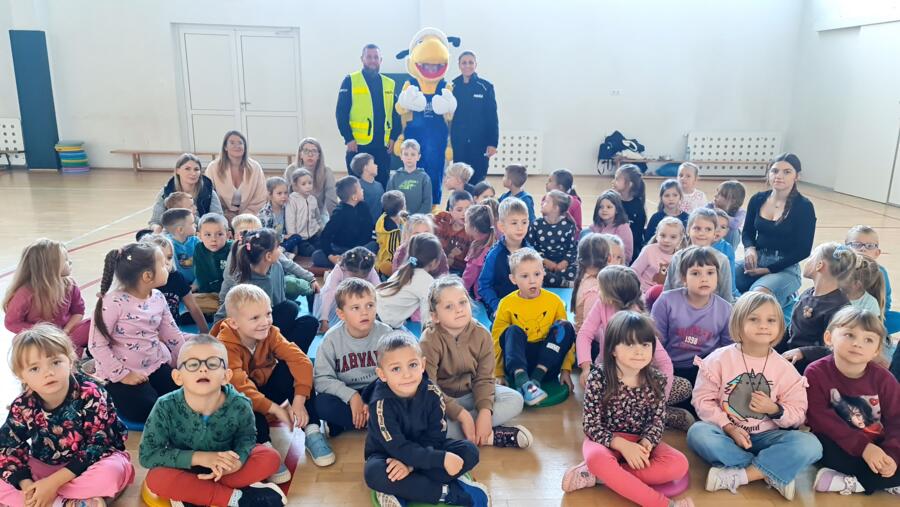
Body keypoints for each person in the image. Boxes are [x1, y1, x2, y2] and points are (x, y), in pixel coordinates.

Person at [687, 292, 822, 501]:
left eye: (771, 320)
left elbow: (798, 413)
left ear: (780, 326)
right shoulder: (719, 359)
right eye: (754, 319)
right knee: (698, 433)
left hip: (769, 437)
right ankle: (772, 470)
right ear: (739, 323)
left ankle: (743, 474)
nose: (763, 326)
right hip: (727, 434)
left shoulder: (785, 369)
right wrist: (729, 427)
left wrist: (775, 409)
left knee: (811, 445)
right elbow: (702, 399)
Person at [561, 312, 693, 507]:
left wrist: (647, 442)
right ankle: (666, 505)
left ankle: (599, 476)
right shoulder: (598, 377)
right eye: (630, 344)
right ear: (613, 349)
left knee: (678, 464)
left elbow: (657, 422)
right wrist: (621, 445)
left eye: (645, 345)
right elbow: (591, 425)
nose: (639, 352)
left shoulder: (657, 380)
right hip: (604, 442)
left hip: (638, 441)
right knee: (597, 459)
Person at [139, 334, 286, 507]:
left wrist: (238, 463)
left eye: (213, 364)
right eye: (193, 364)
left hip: (225, 469)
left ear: (226, 376)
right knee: (156, 478)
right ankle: (238, 498)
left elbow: (246, 440)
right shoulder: (165, 406)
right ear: (178, 377)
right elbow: (147, 455)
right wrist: (200, 458)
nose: (203, 369)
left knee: (270, 457)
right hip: (183, 468)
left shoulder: (240, 404)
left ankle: (198, 493)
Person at [0, 324, 133, 507]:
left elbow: (100, 444)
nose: (48, 373)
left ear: (70, 362)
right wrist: (28, 486)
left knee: (112, 473)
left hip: (90, 465)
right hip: (46, 467)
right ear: (21, 376)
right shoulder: (23, 405)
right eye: (34, 369)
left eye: (55, 362)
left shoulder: (91, 393)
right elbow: (7, 446)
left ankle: (49, 500)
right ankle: (63, 502)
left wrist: (51, 484)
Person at [215, 284, 334, 477]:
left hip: (264, 390)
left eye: (268, 314)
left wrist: (299, 400)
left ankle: (312, 430)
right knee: (241, 404)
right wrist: (275, 409)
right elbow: (239, 388)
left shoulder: (270, 332)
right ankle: (265, 449)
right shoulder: (224, 345)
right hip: (241, 398)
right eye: (255, 318)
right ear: (234, 323)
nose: (265, 322)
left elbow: (301, 360)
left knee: (292, 369)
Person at [364, 331, 490, 507]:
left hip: (426, 448)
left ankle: (403, 489)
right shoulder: (380, 404)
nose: (407, 375)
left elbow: (436, 437)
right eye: (396, 369)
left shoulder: (433, 393)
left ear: (422, 365)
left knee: (469, 451)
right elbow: (396, 446)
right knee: (374, 473)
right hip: (389, 455)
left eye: (412, 365)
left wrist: (411, 467)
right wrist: (439, 460)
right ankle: (448, 492)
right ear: (382, 374)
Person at [420, 276, 532, 448]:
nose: (459, 310)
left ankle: (474, 431)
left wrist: (485, 412)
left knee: (515, 399)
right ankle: (491, 436)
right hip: (441, 401)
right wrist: (461, 415)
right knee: (422, 424)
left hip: (471, 395)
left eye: (462, 302)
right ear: (435, 316)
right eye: (449, 306)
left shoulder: (482, 334)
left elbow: (484, 379)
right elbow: (430, 387)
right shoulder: (429, 340)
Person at [804, 308, 900, 496]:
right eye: (849, 335)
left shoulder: (884, 379)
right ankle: (882, 481)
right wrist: (863, 447)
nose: (857, 344)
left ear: (876, 350)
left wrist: (891, 455)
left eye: (868, 340)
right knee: (818, 446)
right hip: (840, 444)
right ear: (829, 338)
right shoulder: (815, 372)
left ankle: (853, 482)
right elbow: (820, 420)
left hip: (879, 446)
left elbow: (897, 420)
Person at [89, 243, 185, 423]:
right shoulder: (112, 302)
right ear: (147, 276)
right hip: (121, 374)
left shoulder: (158, 297)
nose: (168, 267)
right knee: (147, 409)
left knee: (184, 395)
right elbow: (96, 345)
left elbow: (172, 334)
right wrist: (123, 375)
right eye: (163, 264)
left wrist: (188, 361)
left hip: (154, 365)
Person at [652, 247, 733, 415]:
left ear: (718, 277)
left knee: (703, 409)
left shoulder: (725, 309)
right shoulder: (666, 301)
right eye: (695, 273)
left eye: (710, 273)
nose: (704, 278)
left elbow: (727, 350)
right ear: (684, 278)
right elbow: (656, 342)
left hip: (704, 372)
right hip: (669, 366)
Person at [492, 248, 575, 405]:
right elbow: (496, 340)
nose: (532, 281)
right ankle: (523, 380)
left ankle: (535, 380)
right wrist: (499, 373)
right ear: (513, 279)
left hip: (547, 366)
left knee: (565, 326)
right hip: (517, 365)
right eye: (525, 276)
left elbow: (565, 340)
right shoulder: (506, 303)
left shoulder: (554, 301)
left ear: (543, 273)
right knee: (512, 331)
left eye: (537, 274)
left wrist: (566, 370)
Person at [214, 229, 319, 353]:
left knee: (307, 320)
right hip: (253, 336)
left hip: (270, 326)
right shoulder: (245, 286)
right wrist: (216, 343)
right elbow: (221, 316)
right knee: (289, 308)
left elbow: (281, 302)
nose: (280, 250)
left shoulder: (276, 266)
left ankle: (280, 355)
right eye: (278, 247)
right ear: (268, 256)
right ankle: (267, 355)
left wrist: (310, 278)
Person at [314, 279, 393, 437]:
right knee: (321, 404)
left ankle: (358, 421)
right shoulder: (331, 339)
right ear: (341, 314)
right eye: (356, 308)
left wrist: (375, 398)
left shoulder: (386, 333)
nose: (364, 312)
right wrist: (351, 396)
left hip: (376, 390)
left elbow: (395, 371)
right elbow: (321, 379)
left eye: (370, 305)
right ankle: (376, 421)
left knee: (404, 395)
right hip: (345, 392)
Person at [737, 153, 817, 308]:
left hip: (785, 268)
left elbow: (803, 250)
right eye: (774, 171)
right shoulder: (757, 199)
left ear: (797, 176)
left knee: (757, 296)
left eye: (787, 172)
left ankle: (785, 298)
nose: (779, 176)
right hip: (757, 261)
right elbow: (747, 232)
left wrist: (769, 269)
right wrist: (750, 249)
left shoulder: (804, 206)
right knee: (721, 277)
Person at [3, 239, 90, 356]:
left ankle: (70, 354)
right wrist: (45, 333)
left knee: (95, 325)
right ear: (50, 267)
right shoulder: (25, 293)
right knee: (28, 345)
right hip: (40, 338)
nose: (70, 262)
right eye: (65, 260)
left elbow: (78, 311)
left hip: (66, 333)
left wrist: (66, 331)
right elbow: (12, 323)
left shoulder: (70, 284)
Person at [780, 242, 856, 373]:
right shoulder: (807, 293)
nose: (807, 261)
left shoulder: (840, 307)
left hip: (814, 370)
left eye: (811, 257)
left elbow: (837, 347)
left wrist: (803, 352)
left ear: (819, 265)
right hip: (790, 361)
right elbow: (793, 328)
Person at [336, 44, 401, 187]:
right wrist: (348, 138)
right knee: (356, 187)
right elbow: (341, 112)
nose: (373, 60)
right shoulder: (350, 80)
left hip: (382, 146)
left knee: (382, 185)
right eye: (369, 57)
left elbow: (396, 113)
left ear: (381, 60)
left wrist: (393, 137)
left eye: (376, 57)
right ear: (362, 59)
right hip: (358, 146)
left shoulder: (389, 84)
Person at [139, 234, 208, 333]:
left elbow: (192, 306)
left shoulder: (176, 278)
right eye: (160, 258)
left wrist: (205, 332)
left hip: (173, 333)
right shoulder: (142, 283)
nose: (167, 262)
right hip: (148, 334)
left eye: (169, 257)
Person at [663, 208, 734, 303]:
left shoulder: (722, 260)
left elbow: (726, 297)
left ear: (715, 234)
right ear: (688, 230)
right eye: (697, 228)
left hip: (710, 310)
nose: (701, 233)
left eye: (708, 229)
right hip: (677, 307)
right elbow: (667, 290)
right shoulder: (677, 257)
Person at [450, 51, 498, 185]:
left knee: (478, 179)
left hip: (480, 142)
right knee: (460, 178)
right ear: (459, 65)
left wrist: (493, 143)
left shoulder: (485, 87)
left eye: (470, 62)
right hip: (459, 142)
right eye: (464, 63)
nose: (467, 66)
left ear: (476, 65)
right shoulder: (452, 87)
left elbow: (492, 117)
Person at [478, 197, 531, 317]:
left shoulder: (531, 253)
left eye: (524, 222)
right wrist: (497, 306)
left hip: (526, 307)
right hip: (501, 309)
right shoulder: (494, 255)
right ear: (501, 226)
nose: (520, 227)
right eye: (514, 223)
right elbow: (484, 286)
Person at [376, 233, 442, 329]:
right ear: (434, 262)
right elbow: (427, 319)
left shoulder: (404, 270)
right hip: (384, 323)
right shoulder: (427, 281)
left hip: (376, 312)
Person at [312, 176, 378, 268]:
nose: (363, 190)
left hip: (360, 249)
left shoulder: (364, 207)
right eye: (360, 189)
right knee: (317, 256)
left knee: (374, 245)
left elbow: (368, 230)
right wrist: (331, 256)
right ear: (354, 197)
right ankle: (353, 263)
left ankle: (349, 263)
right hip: (341, 249)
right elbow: (325, 236)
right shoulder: (339, 213)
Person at [148, 153, 223, 233]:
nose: (193, 173)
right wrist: (157, 229)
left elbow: (218, 219)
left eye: (196, 169)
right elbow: (155, 221)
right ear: (177, 170)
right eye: (187, 169)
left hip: (203, 234)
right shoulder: (165, 192)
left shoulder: (209, 192)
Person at [205, 131, 269, 222]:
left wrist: (243, 217)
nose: (237, 146)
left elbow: (260, 197)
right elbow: (209, 196)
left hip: (249, 218)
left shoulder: (255, 167)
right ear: (225, 147)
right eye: (232, 143)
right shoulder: (213, 168)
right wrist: (224, 215)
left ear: (245, 147)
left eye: (240, 143)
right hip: (221, 218)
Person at [314, 247, 379, 334]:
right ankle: (328, 276)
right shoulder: (339, 269)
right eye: (354, 276)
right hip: (340, 298)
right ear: (345, 267)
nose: (357, 280)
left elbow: (378, 291)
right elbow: (328, 294)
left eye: (363, 277)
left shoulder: (369, 269)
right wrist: (324, 320)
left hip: (360, 298)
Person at [528, 190, 577, 287]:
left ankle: (555, 281)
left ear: (555, 208)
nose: (542, 203)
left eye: (546, 201)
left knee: (574, 270)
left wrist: (565, 262)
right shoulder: (536, 224)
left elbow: (572, 248)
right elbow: (530, 247)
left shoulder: (568, 226)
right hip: (542, 262)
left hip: (561, 262)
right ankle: (562, 283)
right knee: (538, 272)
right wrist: (544, 261)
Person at [283, 138, 339, 218]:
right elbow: (285, 197)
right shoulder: (291, 170)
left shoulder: (327, 171)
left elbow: (332, 199)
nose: (310, 154)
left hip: (319, 214)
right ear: (300, 154)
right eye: (306, 151)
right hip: (296, 214)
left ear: (319, 155)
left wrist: (335, 220)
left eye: (314, 151)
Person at [631, 217, 686, 292]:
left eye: (673, 237)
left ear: (680, 239)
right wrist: (640, 289)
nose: (666, 240)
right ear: (657, 235)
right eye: (662, 235)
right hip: (643, 291)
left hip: (665, 294)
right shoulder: (649, 250)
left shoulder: (680, 257)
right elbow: (634, 271)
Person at [193, 213, 232, 314]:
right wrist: (206, 293)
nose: (213, 239)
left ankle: (223, 310)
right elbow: (200, 275)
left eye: (219, 234)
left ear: (228, 235)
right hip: (210, 294)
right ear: (199, 236)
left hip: (230, 293)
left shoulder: (233, 249)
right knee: (191, 301)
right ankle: (221, 310)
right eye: (208, 235)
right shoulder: (199, 249)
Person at [571, 234, 610, 333]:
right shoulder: (595, 290)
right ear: (609, 258)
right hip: (589, 338)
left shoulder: (584, 277)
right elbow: (589, 329)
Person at [586, 190, 634, 267]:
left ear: (617, 210)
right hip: (596, 263)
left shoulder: (623, 227)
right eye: (601, 207)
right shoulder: (593, 227)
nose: (604, 210)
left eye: (609, 207)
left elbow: (627, 255)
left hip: (616, 265)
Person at [386, 139, 433, 215]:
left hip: (418, 220)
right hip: (398, 219)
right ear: (401, 156)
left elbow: (427, 203)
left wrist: (415, 219)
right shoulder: (394, 177)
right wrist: (398, 217)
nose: (409, 158)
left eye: (413, 154)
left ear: (418, 157)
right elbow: (389, 200)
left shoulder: (424, 178)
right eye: (406, 154)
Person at [285, 168, 325, 257]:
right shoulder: (292, 200)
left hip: (313, 234)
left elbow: (317, 216)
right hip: (300, 238)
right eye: (303, 184)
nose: (308, 186)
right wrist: (293, 238)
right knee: (311, 252)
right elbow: (290, 220)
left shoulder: (313, 199)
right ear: (295, 186)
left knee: (324, 246)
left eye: (310, 183)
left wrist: (321, 228)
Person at [612, 164, 647, 263]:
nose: (613, 181)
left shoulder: (638, 206)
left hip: (629, 249)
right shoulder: (612, 201)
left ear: (629, 184)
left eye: (617, 179)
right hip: (611, 244)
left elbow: (637, 236)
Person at [461, 204, 496, 298]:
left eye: (466, 222)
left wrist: (460, 292)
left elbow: (468, 277)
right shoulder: (494, 242)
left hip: (481, 296)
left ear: (475, 228)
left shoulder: (478, 249)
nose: (464, 224)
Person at [433, 190, 473, 273]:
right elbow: (428, 222)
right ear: (450, 211)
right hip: (438, 266)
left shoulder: (472, 232)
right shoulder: (443, 222)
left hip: (459, 271)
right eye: (459, 210)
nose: (464, 214)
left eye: (468, 210)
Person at [161, 207, 199, 284]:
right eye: (192, 223)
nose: (195, 225)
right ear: (180, 229)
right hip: (178, 284)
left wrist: (197, 282)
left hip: (198, 282)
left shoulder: (196, 241)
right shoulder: (168, 246)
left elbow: (203, 265)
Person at [644, 179, 689, 244]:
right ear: (661, 198)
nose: (671, 199)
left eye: (675, 195)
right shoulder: (656, 218)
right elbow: (648, 241)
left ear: (680, 197)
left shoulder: (687, 218)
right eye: (667, 195)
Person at [374, 190, 408, 277]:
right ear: (402, 209)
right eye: (405, 204)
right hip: (388, 263)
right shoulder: (392, 232)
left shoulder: (386, 216)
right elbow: (393, 252)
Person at [707, 180, 746, 250]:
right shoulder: (710, 206)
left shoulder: (740, 212)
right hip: (710, 237)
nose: (715, 196)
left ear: (732, 200)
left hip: (728, 239)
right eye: (717, 192)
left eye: (720, 194)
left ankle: (728, 252)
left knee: (733, 231)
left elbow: (735, 225)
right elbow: (700, 215)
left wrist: (720, 212)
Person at [545, 169, 582, 239]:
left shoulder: (575, 204)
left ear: (560, 187)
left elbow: (578, 229)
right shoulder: (546, 199)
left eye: (550, 181)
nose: (546, 183)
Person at [350, 152, 384, 222]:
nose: (376, 165)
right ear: (365, 167)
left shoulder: (379, 185)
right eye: (373, 163)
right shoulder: (357, 187)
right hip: (363, 225)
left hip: (379, 225)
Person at [257, 176, 290, 246]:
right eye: (279, 193)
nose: (283, 196)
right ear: (270, 195)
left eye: (286, 193)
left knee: (296, 238)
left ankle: (282, 250)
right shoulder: (265, 213)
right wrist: (284, 237)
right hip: (270, 242)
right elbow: (266, 235)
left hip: (283, 241)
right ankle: (280, 251)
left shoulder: (286, 208)